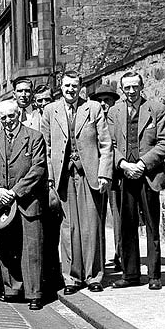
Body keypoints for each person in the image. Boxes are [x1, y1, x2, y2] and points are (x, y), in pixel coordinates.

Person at [41, 71, 113, 295]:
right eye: (66, 86)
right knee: (68, 227)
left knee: (92, 226)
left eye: (74, 86)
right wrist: (50, 178)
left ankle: (94, 276)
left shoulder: (92, 109)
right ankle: (71, 277)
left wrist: (104, 174)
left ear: (80, 87)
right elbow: (46, 148)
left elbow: (105, 145)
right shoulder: (50, 111)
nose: (70, 89)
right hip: (63, 176)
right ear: (60, 87)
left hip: (89, 174)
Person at [107, 72, 165, 291]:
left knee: (152, 226)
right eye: (127, 88)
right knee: (126, 225)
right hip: (124, 175)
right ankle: (130, 274)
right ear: (122, 90)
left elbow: (164, 143)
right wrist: (123, 165)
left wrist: (142, 164)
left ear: (142, 87)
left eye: (135, 87)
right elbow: (109, 145)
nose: (131, 91)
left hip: (148, 175)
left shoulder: (156, 110)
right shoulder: (114, 112)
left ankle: (154, 275)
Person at [0, 100, 48, 310]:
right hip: (4, 204)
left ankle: (34, 294)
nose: (7, 121)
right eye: (3, 117)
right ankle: (12, 289)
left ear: (18, 114)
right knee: (8, 247)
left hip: (27, 203)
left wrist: (15, 191)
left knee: (32, 250)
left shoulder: (34, 137)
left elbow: (37, 169)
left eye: (11, 116)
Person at [89, 84, 123, 272]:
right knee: (97, 217)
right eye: (99, 101)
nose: (103, 104)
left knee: (118, 216)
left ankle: (120, 254)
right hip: (98, 175)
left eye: (107, 101)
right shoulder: (92, 118)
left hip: (116, 176)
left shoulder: (116, 118)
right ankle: (98, 260)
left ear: (113, 102)